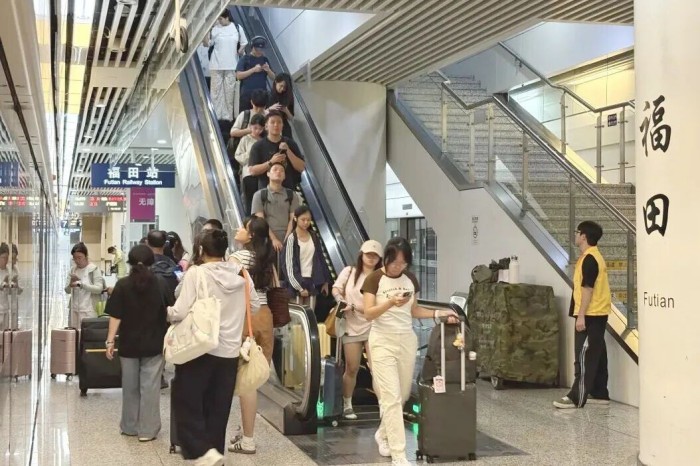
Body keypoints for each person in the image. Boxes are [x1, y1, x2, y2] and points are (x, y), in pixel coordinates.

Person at [361, 237, 458, 466]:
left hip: (406, 340)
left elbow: (414, 310)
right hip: (382, 341)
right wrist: (389, 303)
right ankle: (399, 454)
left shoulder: (410, 279)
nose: (398, 267)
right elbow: (368, 313)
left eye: (403, 263)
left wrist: (438, 314)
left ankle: (383, 434)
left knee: (402, 395)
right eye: (395, 262)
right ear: (386, 259)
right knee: (392, 397)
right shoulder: (374, 279)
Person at [169, 229, 259, 466]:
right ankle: (215, 455)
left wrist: (167, 313)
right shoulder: (241, 273)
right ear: (224, 249)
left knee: (186, 401)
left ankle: (202, 451)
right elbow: (255, 306)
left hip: (201, 349)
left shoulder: (196, 273)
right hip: (230, 353)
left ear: (201, 250)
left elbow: (179, 311)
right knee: (218, 411)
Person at [104, 245, 173, 442]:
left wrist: (110, 341)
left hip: (129, 345)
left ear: (130, 262)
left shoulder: (122, 285)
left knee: (130, 387)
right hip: (154, 344)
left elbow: (115, 316)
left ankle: (130, 426)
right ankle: (148, 431)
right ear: (152, 262)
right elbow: (170, 311)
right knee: (150, 388)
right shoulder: (161, 283)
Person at [227, 217, 276, 455]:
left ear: (251, 235)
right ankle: (243, 429)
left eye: (243, 228)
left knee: (245, 381)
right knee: (253, 380)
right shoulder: (267, 258)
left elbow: (231, 289)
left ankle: (247, 439)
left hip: (246, 317)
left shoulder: (237, 258)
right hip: (265, 316)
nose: (238, 230)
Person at [554, 221, 612, 409]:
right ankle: (599, 392)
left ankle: (576, 397)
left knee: (584, 355)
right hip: (597, 313)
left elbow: (588, 289)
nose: (575, 235)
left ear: (584, 236)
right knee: (597, 353)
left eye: (577, 232)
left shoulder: (590, 259)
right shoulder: (592, 256)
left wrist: (581, 316)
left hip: (590, 314)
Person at [332, 240, 383, 420]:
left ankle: (384, 405)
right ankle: (347, 404)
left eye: (375, 255)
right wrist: (340, 300)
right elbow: (336, 288)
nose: (371, 258)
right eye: (368, 254)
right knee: (352, 367)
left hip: (373, 325)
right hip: (351, 325)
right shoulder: (350, 272)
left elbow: (379, 304)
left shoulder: (381, 277)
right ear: (361, 254)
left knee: (377, 368)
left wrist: (354, 307)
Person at [281, 205, 330, 308]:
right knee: (297, 315)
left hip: (312, 281)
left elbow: (320, 258)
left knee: (310, 314)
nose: (306, 222)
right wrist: (299, 287)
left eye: (308, 220)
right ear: (295, 219)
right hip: (296, 284)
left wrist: (325, 281)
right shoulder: (291, 239)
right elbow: (288, 266)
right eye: (303, 220)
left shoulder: (314, 236)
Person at [205, 9, 247, 123]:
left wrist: (239, 51)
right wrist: (207, 30)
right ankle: (216, 116)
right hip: (216, 64)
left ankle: (228, 117)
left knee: (229, 92)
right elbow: (207, 43)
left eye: (220, 18)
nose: (219, 21)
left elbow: (244, 42)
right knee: (216, 92)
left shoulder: (237, 28)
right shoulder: (215, 28)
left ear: (227, 17)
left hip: (232, 65)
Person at [248, 110, 305, 191]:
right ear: (266, 126)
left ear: (282, 125)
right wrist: (271, 162)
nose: (276, 125)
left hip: (288, 191)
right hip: (266, 192)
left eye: (279, 122)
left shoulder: (290, 143)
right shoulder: (258, 146)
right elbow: (252, 171)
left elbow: (301, 167)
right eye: (272, 122)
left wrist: (288, 150)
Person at [251, 163, 300, 253]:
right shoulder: (259, 195)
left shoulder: (292, 195)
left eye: (282, 171)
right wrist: (273, 239)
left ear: (284, 176)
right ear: (268, 173)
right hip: (266, 238)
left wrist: (287, 240)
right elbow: (260, 221)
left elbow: (293, 219)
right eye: (275, 169)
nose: (278, 172)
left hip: (288, 237)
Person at [64, 242, 105, 328]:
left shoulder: (93, 269)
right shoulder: (72, 270)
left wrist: (81, 285)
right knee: (74, 332)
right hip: (74, 309)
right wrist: (70, 284)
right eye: (74, 258)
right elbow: (67, 291)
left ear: (86, 256)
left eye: (79, 258)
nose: (77, 261)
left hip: (89, 310)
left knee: (87, 333)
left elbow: (99, 289)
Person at [236, 113, 267, 216]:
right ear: (250, 126)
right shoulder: (245, 139)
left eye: (260, 129)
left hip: (263, 174)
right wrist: (250, 155)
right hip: (248, 174)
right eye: (255, 128)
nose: (257, 131)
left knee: (261, 200)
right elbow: (238, 156)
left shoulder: (264, 141)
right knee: (249, 200)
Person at [236, 36, 275, 112]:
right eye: (257, 49)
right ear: (252, 47)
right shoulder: (245, 59)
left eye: (261, 49)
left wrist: (268, 70)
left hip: (262, 95)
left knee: (261, 116)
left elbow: (274, 78)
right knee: (246, 116)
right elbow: (238, 76)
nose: (259, 52)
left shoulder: (265, 59)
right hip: (247, 95)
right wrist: (253, 70)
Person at [147, 230, 179, 297]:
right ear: (164, 244)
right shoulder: (172, 264)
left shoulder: (146, 264)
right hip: (170, 300)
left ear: (147, 243)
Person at [0, 243, 21, 330]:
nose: (5, 260)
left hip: (6, 308)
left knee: (6, 333)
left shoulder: (8, 271)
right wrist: (2, 284)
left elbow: (10, 291)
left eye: (7, 258)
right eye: (3, 258)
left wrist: (13, 285)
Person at [267, 73, 294, 138]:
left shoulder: (288, 97)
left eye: (284, 88)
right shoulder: (267, 95)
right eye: (281, 86)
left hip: (284, 126)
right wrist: (270, 109)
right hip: (270, 124)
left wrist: (286, 111)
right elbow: (259, 114)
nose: (282, 89)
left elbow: (291, 118)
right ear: (276, 82)